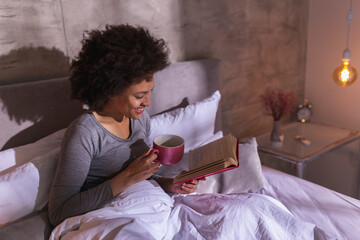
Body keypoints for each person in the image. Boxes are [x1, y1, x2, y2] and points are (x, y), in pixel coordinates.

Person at [48, 24, 202, 227]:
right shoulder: (85, 133)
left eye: (150, 92)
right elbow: (59, 212)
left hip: (150, 206)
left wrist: (172, 184)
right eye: (139, 96)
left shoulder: (141, 120)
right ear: (111, 89)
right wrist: (128, 176)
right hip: (114, 220)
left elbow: (145, 178)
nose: (147, 103)